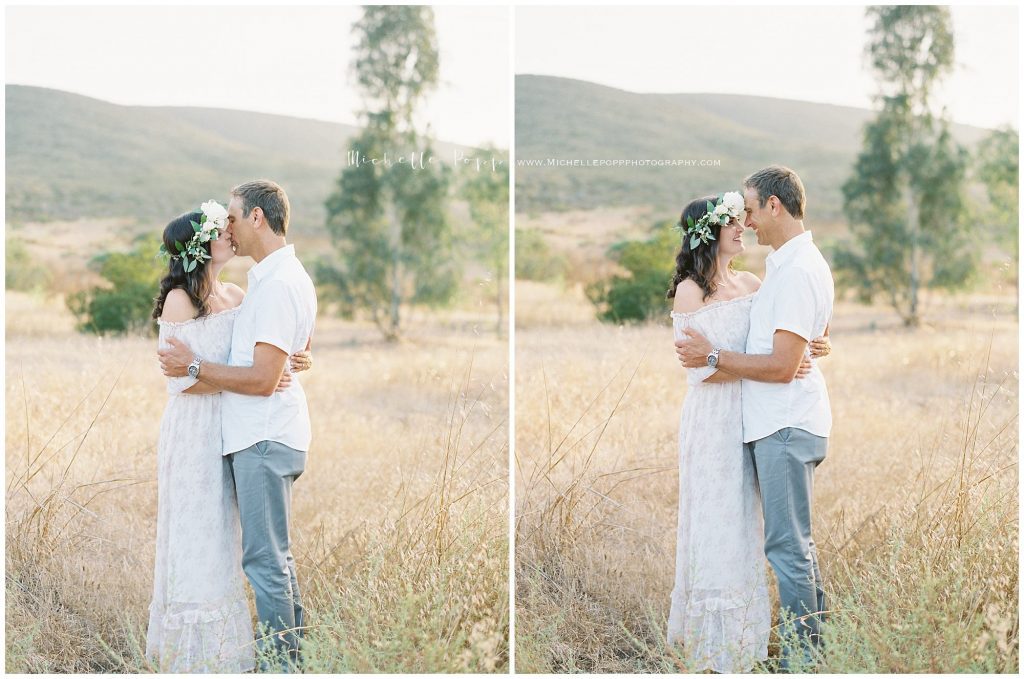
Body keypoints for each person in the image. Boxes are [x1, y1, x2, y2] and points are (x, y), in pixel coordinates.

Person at [675, 166, 834, 670]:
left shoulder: (783, 271)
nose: (744, 223)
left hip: (778, 420)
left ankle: (803, 661)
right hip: (731, 421)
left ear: (773, 206)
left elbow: (776, 356)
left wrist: (801, 350)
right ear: (710, 231)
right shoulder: (779, 270)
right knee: (756, 538)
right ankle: (732, 647)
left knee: (787, 545)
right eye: (733, 217)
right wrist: (803, 345)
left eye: (748, 211)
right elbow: (711, 362)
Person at [159, 180, 318, 669]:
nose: (227, 227)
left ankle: (282, 664)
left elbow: (258, 370)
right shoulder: (260, 285)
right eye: (218, 224)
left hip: (257, 433)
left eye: (231, 217)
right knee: (230, 550)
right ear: (198, 247)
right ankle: (216, 654)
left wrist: (284, 363)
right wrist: (281, 362)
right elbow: (190, 377)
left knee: (263, 559)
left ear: (255, 218)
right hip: (208, 433)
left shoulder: (261, 287)